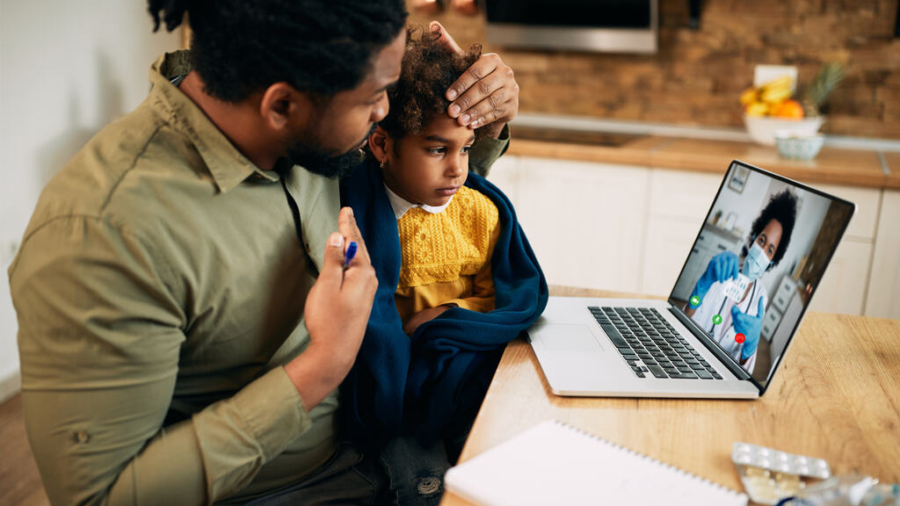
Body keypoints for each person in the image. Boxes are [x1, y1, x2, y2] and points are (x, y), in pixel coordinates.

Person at [7, 1, 521, 504]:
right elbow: (100, 495)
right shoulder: (103, 234)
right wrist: (321, 366)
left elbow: (420, 194)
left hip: (384, 444)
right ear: (281, 106)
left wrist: (483, 116)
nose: (384, 112)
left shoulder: (312, 125)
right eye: (374, 98)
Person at [338, 30, 548, 505]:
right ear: (381, 146)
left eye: (466, 148)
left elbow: (504, 296)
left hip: (456, 377)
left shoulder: (479, 213)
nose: (458, 169)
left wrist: (449, 316)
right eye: (438, 150)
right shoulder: (352, 213)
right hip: (385, 405)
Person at [685, 190, 798, 374]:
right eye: (762, 240)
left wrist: (749, 348)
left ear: (772, 261)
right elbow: (687, 322)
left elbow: (743, 371)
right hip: (690, 357)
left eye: (770, 250)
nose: (762, 251)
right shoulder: (722, 272)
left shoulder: (760, 298)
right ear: (753, 238)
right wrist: (701, 288)